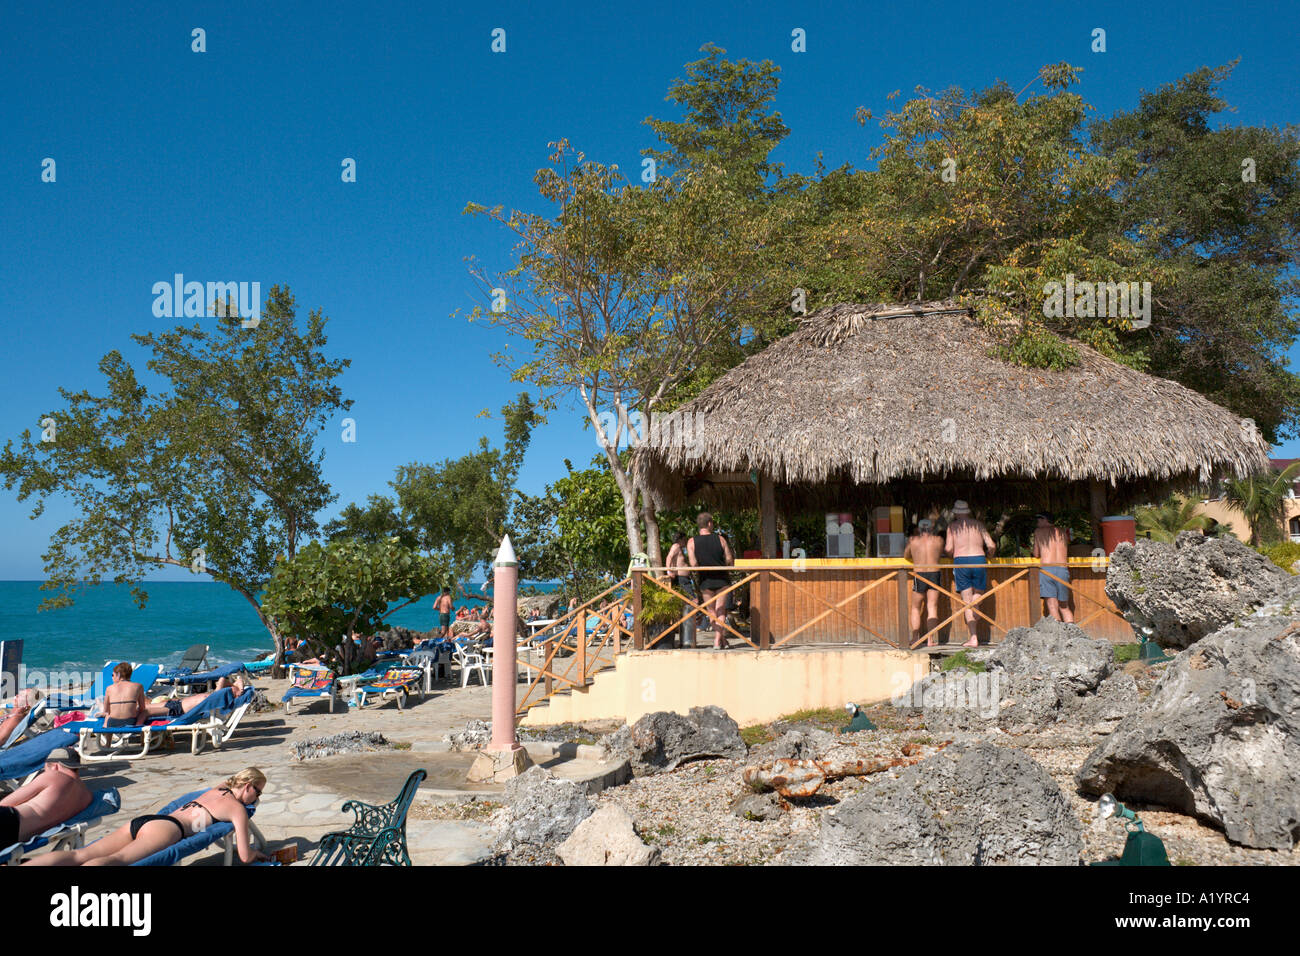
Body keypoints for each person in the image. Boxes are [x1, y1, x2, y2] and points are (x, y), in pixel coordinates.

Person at [25, 768, 271, 866]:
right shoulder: (237, 809)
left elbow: (230, 785)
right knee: (117, 860)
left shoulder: (216, 789)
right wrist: (256, 853)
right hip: (169, 829)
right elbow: (244, 856)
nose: (257, 798)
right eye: (258, 792)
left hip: (146, 821)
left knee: (81, 854)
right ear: (248, 786)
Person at [0, 748, 91, 848]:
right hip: (16, 837)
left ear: (55, 766)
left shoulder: (54, 776)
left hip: (8, 820)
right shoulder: (86, 795)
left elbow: (5, 803)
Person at [943, 500, 996, 648]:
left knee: (967, 601)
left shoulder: (952, 527)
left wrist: (950, 555)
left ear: (955, 513)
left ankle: (973, 638)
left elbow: (948, 548)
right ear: (968, 511)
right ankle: (975, 604)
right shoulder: (978, 525)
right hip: (979, 559)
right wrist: (989, 556)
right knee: (978, 594)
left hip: (961, 561)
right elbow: (991, 545)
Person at [687, 512, 734, 650]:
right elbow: (729, 559)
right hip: (722, 579)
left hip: (705, 580)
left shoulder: (691, 542)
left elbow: (693, 563)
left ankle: (718, 639)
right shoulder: (721, 539)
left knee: (711, 611)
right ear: (709, 523)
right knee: (721, 610)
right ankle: (719, 640)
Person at [139, 673, 249, 721]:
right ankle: (237, 685)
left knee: (145, 708)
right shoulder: (214, 698)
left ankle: (237, 686)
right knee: (146, 705)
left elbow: (145, 712)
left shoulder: (216, 700)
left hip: (177, 708)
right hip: (178, 703)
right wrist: (238, 687)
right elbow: (221, 681)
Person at [904, 519, 945, 646]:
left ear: (919, 529)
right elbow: (943, 553)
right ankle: (930, 639)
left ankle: (915, 637)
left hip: (919, 573)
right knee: (932, 607)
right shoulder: (939, 540)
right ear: (932, 528)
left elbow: (906, 556)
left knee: (915, 607)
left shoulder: (913, 540)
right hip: (934, 573)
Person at [1033, 512, 1075, 623]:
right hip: (1062, 569)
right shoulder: (1062, 532)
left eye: (1039, 519)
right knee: (1064, 606)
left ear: (1045, 520)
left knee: (1052, 605)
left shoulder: (1038, 532)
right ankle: (1072, 633)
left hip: (1047, 569)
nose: (1037, 522)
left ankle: (1058, 636)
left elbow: (1036, 554)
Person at [101, 662, 148, 728]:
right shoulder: (138, 686)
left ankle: (105, 728)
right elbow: (142, 708)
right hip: (130, 722)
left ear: (118, 675)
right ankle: (138, 726)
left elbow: (106, 710)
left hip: (112, 723)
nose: (112, 677)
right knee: (145, 712)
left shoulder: (109, 688)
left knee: (108, 714)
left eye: (113, 675)